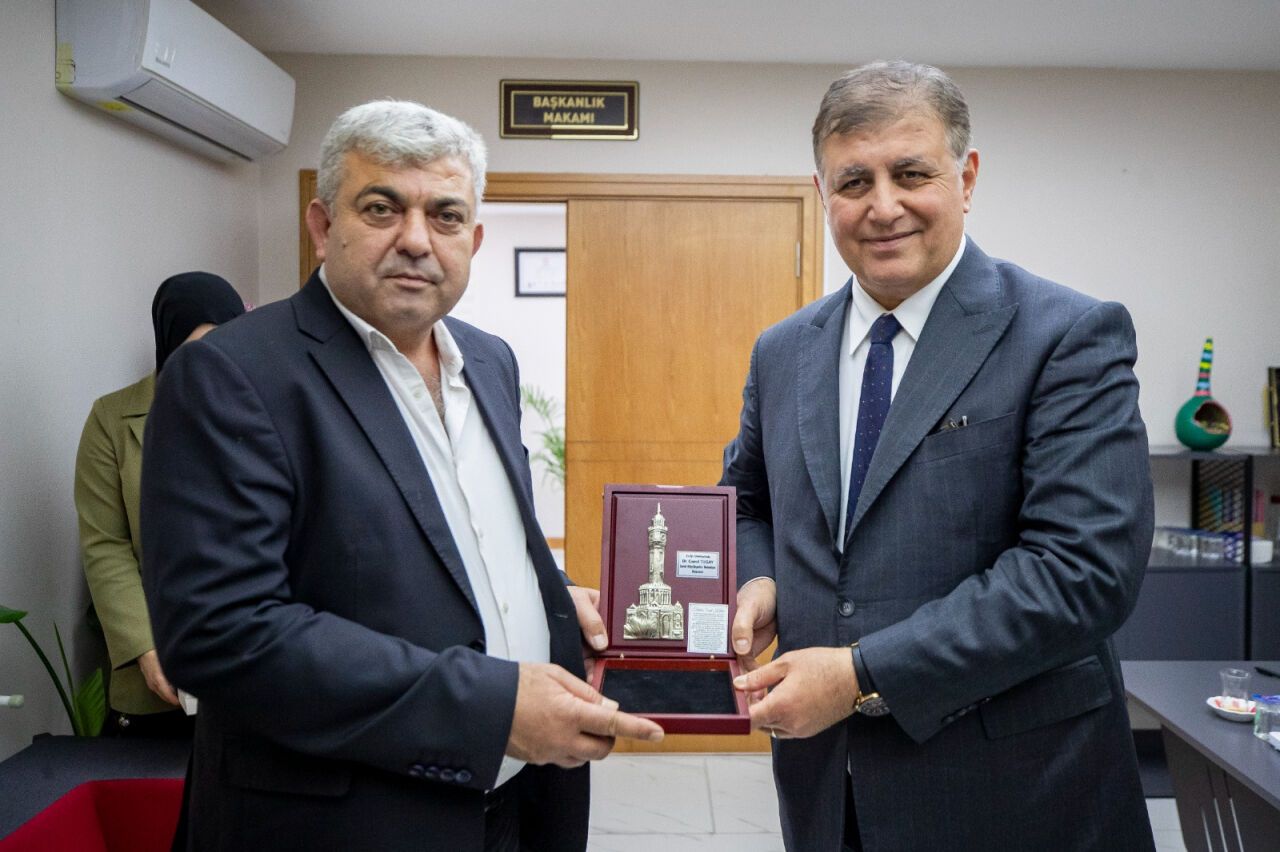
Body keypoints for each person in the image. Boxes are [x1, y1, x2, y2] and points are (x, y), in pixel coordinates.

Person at [140, 100, 662, 852]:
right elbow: (220, 631)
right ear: (323, 226)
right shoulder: (230, 374)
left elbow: (466, 540)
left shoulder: (489, 362)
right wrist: (492, 709)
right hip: (347, 822)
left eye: (445, 216)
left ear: (472, 240)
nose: (416, 239)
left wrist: (551, 597)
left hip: (520, 803)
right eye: (382, 208)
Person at [722, 61, 1155, 851]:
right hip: (827, 793)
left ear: (967, 177)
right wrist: (759, 581)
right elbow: (748, 501)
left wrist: (860, 675)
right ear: (822, 193)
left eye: (912, 173)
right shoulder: (781, 352)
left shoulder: (1066, 336)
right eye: (854, 181)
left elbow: (1083, 573)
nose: (883, 206)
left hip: (1016, 795)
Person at [75, 271, 245, 737]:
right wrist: (145, 648)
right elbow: (105, 545)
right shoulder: (112, 420)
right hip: (155, 682)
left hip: (249, 671)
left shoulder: (265, 411)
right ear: (168, 344)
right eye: (196, 347)